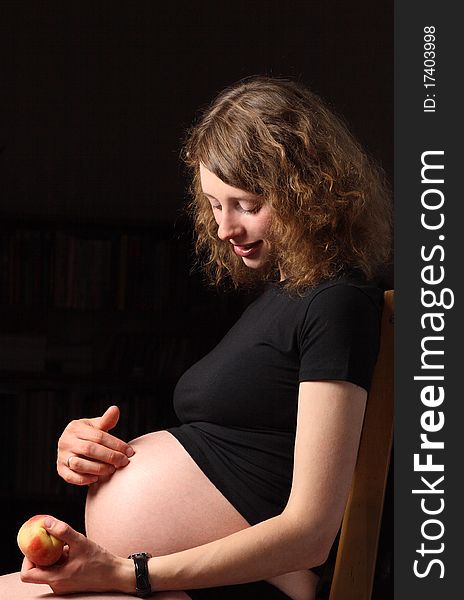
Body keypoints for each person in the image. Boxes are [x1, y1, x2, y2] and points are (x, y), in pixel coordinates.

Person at [1, 75, 391, 599]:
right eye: (213, 204)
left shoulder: (337, 302)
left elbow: (311, 534)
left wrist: (129, 571)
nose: (225, 227)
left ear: (308, 190)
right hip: (170, 578)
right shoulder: (285, 293)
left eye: (247, 205)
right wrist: (88, 451)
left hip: (226, 585)